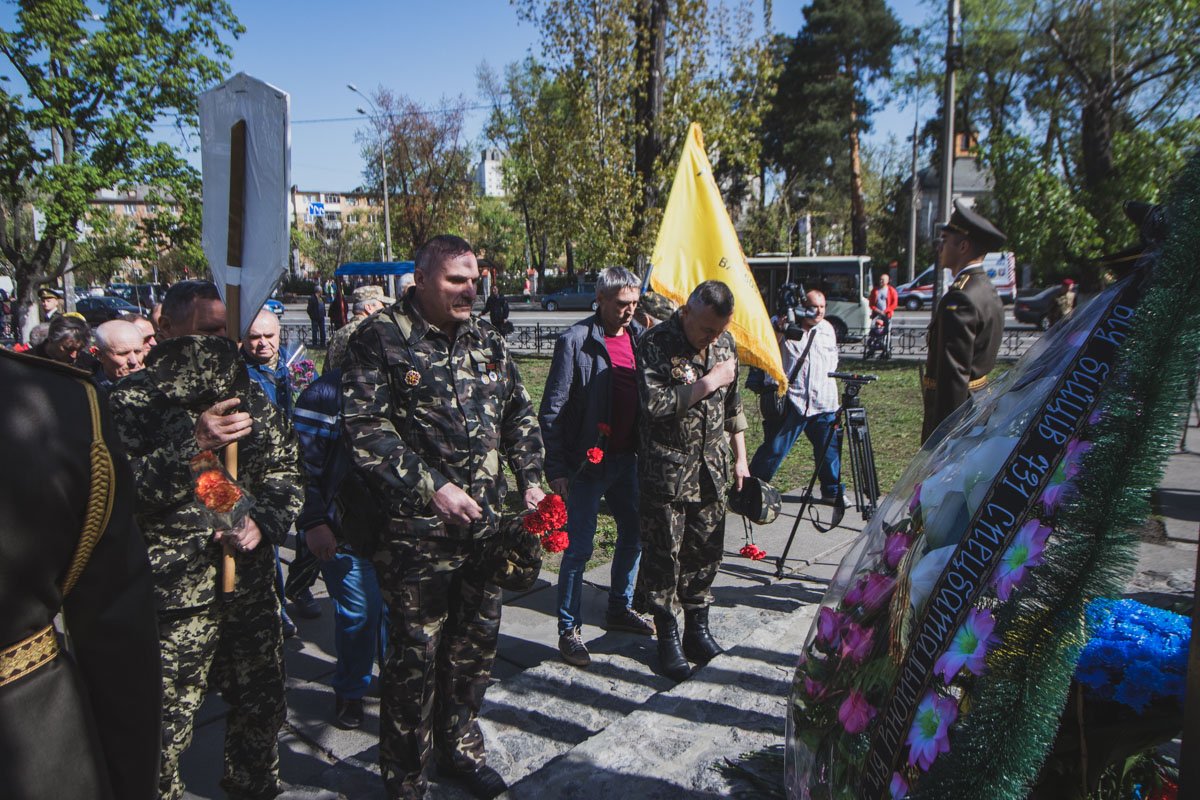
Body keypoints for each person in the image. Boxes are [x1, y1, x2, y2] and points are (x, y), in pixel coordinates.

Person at [343, 234, 546, 800]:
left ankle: (459, 750)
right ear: (423, 278)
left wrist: (531, 482)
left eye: (475, 277)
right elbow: (365, 430)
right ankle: (407, 778)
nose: (470, 287)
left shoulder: (486, 338)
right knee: (415, 660)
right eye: (457, 279)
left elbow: (518, 414)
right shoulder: (379, 338)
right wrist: (432, 488)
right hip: (415, 538)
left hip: (484, 531)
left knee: (473, 650)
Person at [109, 279, 303, 800]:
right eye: (206, 330)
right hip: (176, 599)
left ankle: (253, 787)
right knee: (163, 729)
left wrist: (264, 521)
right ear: (166, 329)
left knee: (261, 710)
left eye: (226, 331)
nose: (219, 342)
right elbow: (115, 494)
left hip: (248, 588)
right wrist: (193, 445)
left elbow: (286, 473)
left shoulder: (246, 395)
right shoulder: (131, 402)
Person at [0, 348, 162, 800]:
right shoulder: (87, 404)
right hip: (168, 574)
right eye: (125, 351)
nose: (135, 358)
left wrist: (247, 519)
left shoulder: (62, 401)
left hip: (33, 747)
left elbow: (280, 469)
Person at [539, 267, 653, 669]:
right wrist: (556, 469)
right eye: (622, 304)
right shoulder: (575, 341)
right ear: (600, 299)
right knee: (579, 549)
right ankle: (568, 629)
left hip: (629, 459)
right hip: (585, 466)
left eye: (634, 304)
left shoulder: (641, 337)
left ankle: (618, 608)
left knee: (634, 534)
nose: (629, 311)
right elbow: (552, 408)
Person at [636, 280, 749, 682]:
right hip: (667, 473)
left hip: (712, 471)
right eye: (705, 330)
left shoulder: (725, 344)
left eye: (718, 331)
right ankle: (667, 633)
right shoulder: (655, 343)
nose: (711, 338)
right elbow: (655, 405)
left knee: (706, 551)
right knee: (664, 554)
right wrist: (709, 381)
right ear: (687, 312)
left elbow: (734, 407)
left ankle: (697, 630)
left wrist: (741, 460)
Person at [293, 364, 386, 730]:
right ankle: (350, 691)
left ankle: (395, 678)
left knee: (394, 611)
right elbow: (302, 466)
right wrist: (314, 522)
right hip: (342, 530)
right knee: (360, 613)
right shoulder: (322, 395)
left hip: (395, 529)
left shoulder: (405, 378)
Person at [921, 199, 1007, 443]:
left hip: (958, 419)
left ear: (963, 246)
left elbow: (954, 376)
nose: (940, 247)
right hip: (976, 407)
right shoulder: (984, 288)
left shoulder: (961, 298)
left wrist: (944, 440)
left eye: (945, 241)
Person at [748, 290, 843, 501]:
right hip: (793, 400)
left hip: (824, 402)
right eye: (813, 306)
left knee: (829, 452)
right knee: (774, 450)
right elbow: (765, 349)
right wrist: (781, 328)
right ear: (802, 305)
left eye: (822, 306)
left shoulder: (827, 329)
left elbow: (833, 359)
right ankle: (751, 490)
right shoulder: (783, 324)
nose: (818, 311)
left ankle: (832, 492)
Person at [325, 285, 392, 371]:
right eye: (382, 304)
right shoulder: (371, 331)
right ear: (369, 308)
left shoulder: (339, 333)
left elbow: (327, 369)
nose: (384, 309)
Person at [31, 314, 100, 374]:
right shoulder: (27, 362)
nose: (74, 356)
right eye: (68, 349)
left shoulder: (91, 365)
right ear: (51, 339)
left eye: (79, 349)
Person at [92, 319, 147, 390]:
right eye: (123, 354)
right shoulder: (88, 391)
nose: (134, 361)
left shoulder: (157, 382)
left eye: (137, 352)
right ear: (100, 355)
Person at [868, 273, 899, 354]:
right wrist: (877, 310)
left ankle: (886, 349)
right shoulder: (875, 290)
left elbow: (894, 304)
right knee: (874, 331)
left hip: (887, 315)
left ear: (887, 281)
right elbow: (871, 303)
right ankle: (872, 348)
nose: (881, 281)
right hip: (876, 314)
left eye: (883, 280)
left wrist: (885, 311)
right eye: (880, 279)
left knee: (886, 332)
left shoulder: (892, 291)